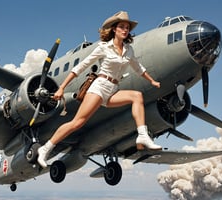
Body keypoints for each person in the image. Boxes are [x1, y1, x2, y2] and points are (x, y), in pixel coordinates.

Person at [37, 11, 162, 168]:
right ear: (114, 29)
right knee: (77, 123)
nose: (125, 30)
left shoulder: (128, 50)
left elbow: (138, 68)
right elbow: (80, 67)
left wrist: (152, 81)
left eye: (127, 28)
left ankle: (142, 136)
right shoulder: (103, 47)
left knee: (137, 96)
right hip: (100, 87)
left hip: (113, 89)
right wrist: (62, 88)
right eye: (122, 27)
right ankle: (45, 148)